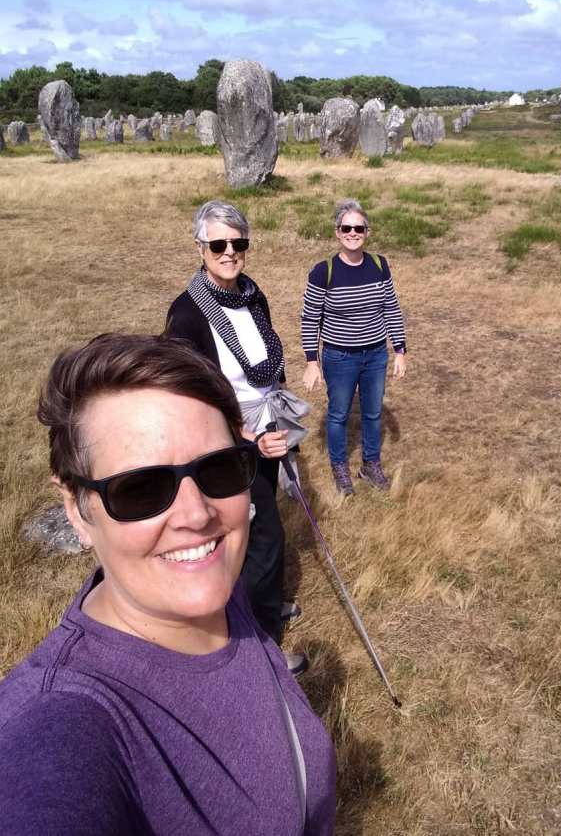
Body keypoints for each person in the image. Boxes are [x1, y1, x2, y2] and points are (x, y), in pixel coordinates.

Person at [0, 333, 336, 836]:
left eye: (219, 469)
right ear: (77, 508)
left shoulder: (214, 591)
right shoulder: (60, 724)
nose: (197, 515)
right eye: (141, 488)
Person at [166, 201, 309, 674]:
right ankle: (258, 650)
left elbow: (270, 362)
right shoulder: (187, 314)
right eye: (218, 244)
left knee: (256, 530)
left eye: (238, 242)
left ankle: (261, 606)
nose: (229, 252)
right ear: (200, 248)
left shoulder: (252, 294)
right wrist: (242, 436)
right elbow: (187, 394)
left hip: (266, 426)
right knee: (261, 535)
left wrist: (277, 420)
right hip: (223, 442)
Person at [301, 199, 407, 495]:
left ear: (367, 232)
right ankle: (340, 469)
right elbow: (310, 318)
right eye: (346, 228)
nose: (352, 233)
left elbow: (391, 308)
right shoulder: (323, 272)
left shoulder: (379, 265)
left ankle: (370, 466)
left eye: (358, 228)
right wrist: (312, 361)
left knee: (373, 413)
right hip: (339, 357)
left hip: (376, 354)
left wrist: (400, 350)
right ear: (337, 232)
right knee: (338, 415)